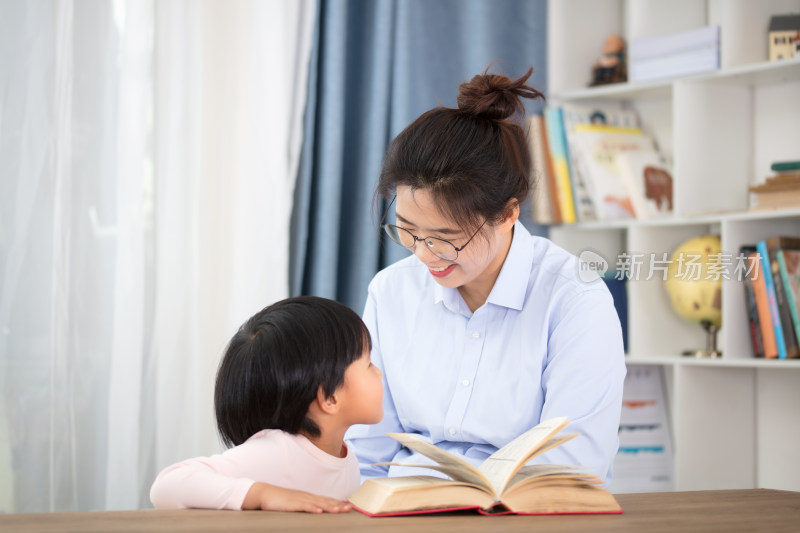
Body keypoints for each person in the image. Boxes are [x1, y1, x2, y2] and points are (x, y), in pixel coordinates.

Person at [345, 67, 626, 485]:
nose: (423, 254)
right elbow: (367, 449)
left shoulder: (574, 299)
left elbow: (573, 463)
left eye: (446, 238)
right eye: (407, 230)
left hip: (525, 513)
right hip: (402, 508)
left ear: (508, 214)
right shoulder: (391, 291)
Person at [150, 296, 383, 513]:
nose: (379, 373)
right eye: (369, 364)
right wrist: (263, 494)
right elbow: (167, 486)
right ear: (330, 397)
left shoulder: (346, 460)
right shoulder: (280, 452)